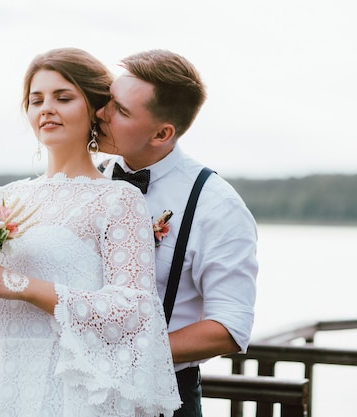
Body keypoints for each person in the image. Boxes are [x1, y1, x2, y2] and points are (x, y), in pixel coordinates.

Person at [0, 47, 181, 417]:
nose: (46, 108)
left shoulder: (119, 199)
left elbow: (134, 310)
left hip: (75, 392)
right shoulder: (7, 197)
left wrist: (17, 284)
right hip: (7, 385)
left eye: (63, 97)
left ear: (94, 108)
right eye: (35, 99)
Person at [95, 49, 258, 417]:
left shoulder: (216, 205)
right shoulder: (89, 178)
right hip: (72, 394)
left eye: (120, 110)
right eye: (108, 101)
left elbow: (229, 327)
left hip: (163, 400)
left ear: (162, 133)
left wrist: (127, 353)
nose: (101, 113)